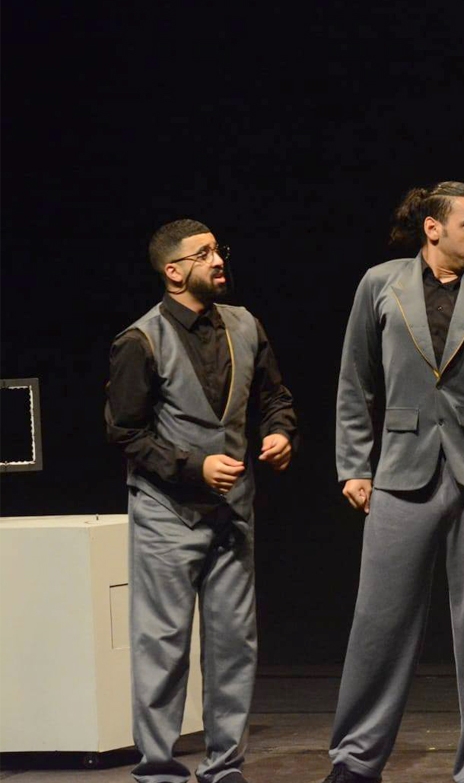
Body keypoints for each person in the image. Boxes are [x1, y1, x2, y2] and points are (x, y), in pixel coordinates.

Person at [320, 182, 464, 783]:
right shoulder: (381, 283)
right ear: (433, 228)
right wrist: (354, 463)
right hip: (401, 470)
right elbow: (355, 380)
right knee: (378, 622)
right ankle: (355, 760)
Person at [106, 219, 297, 783]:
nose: (218, 260)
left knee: (234, 644)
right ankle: (159, 769)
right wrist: (194, 466)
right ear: (174, 271)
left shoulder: (245, 325)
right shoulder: (140, 340)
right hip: (167, 513)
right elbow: (125, 432)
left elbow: (275, 396)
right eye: (204, 253)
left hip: (233, 511)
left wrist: (279, 432)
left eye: (218, 250)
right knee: (163, 645)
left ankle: (224, 766)